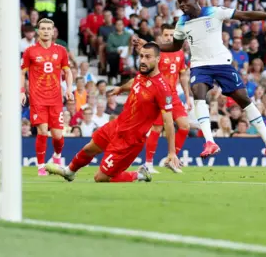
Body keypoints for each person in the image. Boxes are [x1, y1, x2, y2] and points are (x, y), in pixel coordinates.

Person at [148, 0, 266, 160]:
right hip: (200, 65)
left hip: (221, 62)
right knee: (198, 93)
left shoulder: (214, 12)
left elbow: (243, 15)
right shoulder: (182, 22)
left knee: (244, 100)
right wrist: (152, 46)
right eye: (179, 2)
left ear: (195, 0)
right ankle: (209, 142)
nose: (182, 5)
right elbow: (175, 46)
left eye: (185, 1)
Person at [46, 43, 180, 183]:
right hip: (117, 125)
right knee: (89, 148)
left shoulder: (162, 88)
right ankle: (69, 172)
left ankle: (140, 174)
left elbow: (168, 121)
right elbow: (135, 81)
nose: (143, 60)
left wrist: (171, 152)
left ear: (158, 59)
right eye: (141, 56)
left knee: (100, 177)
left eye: (148, 57)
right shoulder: (143, 74)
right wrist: (121, 89)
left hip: (130, 140)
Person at [20, 18, 73, 176]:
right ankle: (41, 166)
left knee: (58, 135)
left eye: (48, 28)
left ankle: (57, 157)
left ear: (53, 31)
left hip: (56, 98)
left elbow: (67, 71)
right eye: (42, 28)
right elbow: (22, 73)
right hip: (38, 98)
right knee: (42, 131)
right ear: (38, 31)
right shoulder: (30, 51)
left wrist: (69, 88)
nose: (45, 31)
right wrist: (22, 91)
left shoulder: (61, 51)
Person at [142, 24, 192, 174]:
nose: (169, 38)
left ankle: (171, 158)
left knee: (185, 126)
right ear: (161, 37)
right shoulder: (158, 53)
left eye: (171, 35)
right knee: (156, 128)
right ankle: (148, 164)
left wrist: (188, 97)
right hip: (158, 95)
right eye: (166, 35)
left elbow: (183, 75)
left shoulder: (180, 53)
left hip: (173, 95)